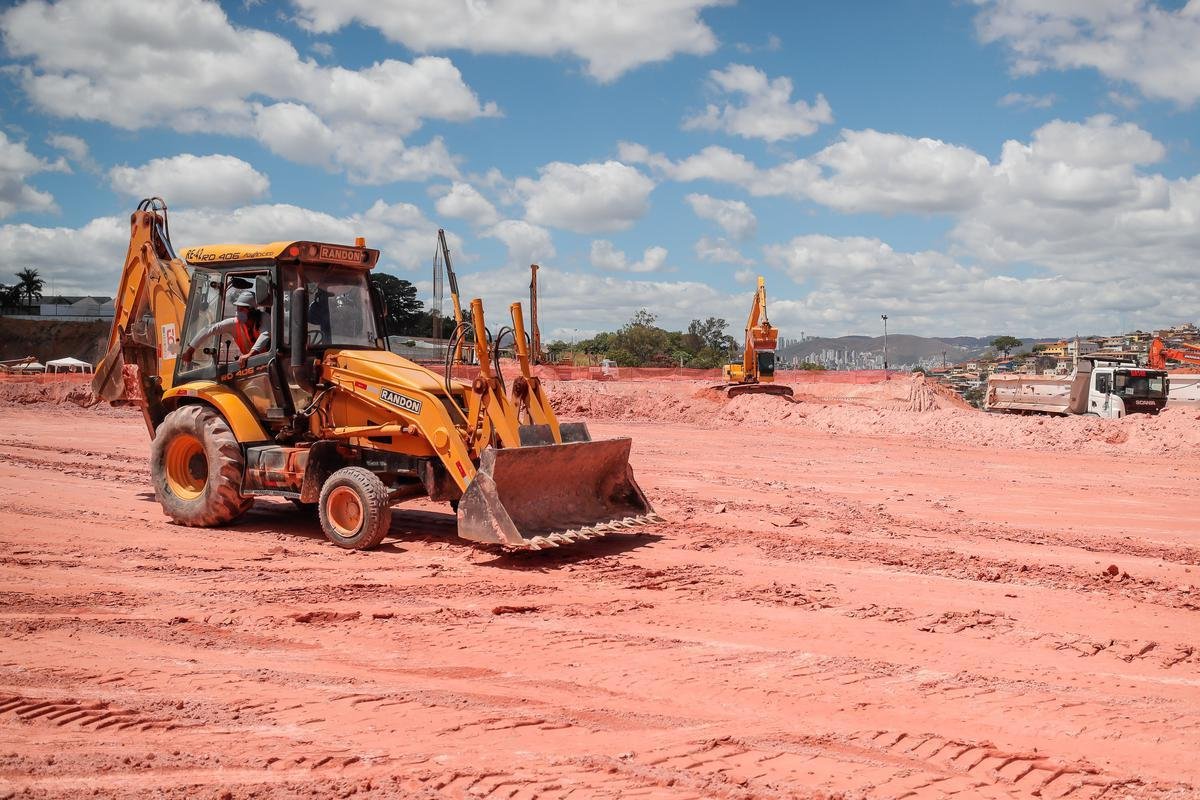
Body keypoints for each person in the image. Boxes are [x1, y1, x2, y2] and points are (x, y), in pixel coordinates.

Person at [180, 289, 269, 369]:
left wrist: (249, 355)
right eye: (237, 308)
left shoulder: (263, 318)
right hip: (250, 365)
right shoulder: (234, 323)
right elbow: (209, 329)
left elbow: (265, 335)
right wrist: (190, 351)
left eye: (241, 309)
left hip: (267, 362)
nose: (238, 312)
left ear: (252, 310)